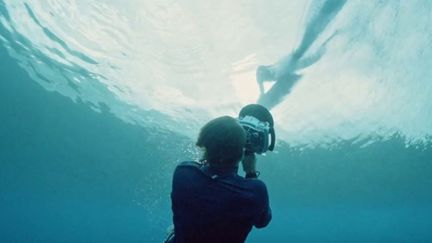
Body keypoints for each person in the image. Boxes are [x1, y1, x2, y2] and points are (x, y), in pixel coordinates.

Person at [166, 116, 271, 243]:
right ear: (241, 152)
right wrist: (251, 173)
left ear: (205, 143)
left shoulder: (184, 172)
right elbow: (262, 221)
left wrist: (223, 134)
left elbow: (210, 173)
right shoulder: (255, 190)